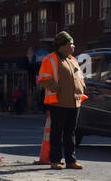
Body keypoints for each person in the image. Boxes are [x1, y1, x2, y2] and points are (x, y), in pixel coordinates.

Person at [36, 30, 86, 170]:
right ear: (62, 45)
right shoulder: (50, 59)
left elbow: (79, 78)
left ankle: (71, 160)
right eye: (70, 44)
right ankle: (55, 160)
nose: (73, 46)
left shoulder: (72, 59)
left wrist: (81, 88)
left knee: (70, 133)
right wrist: (56, 88)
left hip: (74, 101)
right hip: (58, 102)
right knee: (57, 132)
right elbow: (43, 78)